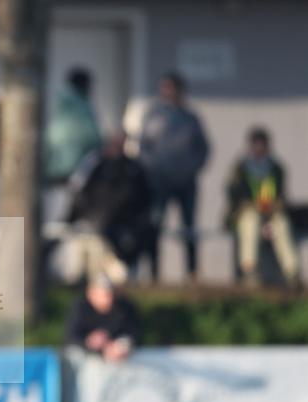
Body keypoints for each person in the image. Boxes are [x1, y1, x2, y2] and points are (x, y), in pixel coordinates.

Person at [139, 72, 210, 282]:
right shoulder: (154, 116)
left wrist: (190, 169)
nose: (168, 93)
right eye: (165, 88)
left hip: (186, 182)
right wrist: (154, 170)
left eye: (172, 88)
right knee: (156, 225)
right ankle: (153, 271)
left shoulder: (190, 119)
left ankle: (192, 271)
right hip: (160, 182)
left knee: (189, 227)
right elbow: (144, 148)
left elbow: (203, 149)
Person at [66, 132, 152, 282]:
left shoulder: (134, 169)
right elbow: (80, 193)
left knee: (119, 274)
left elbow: (144, 198)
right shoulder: (96, 164)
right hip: (95, 226)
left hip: (123, 230)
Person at [225, 127, 299, 288]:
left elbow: (281, 195)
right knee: (249, 224)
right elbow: (233, 195)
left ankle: (292, 272)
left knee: (282, 225)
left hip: (271, 213)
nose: (259, 148)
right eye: (256, 145)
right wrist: (245, 206)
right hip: (248, 212)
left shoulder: (276, 168)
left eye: (262, 145)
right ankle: (249, 271)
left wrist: (274, 206)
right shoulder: (241, 168)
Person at [44, 67, 102, 184]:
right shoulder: (81, 106)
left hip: (56, 165)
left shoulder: (62, 102)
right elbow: (92, 136)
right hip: (74, 167)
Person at [65, 274, 140, 362]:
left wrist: (120, 345)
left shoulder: (124, 308)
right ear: (91, 293)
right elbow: (70, 337)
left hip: (117, 360)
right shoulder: (81, 308)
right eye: (105, 294)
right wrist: (89, 341)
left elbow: (133, 333)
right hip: (87, 360)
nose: (109, 299)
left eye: (111, 293)